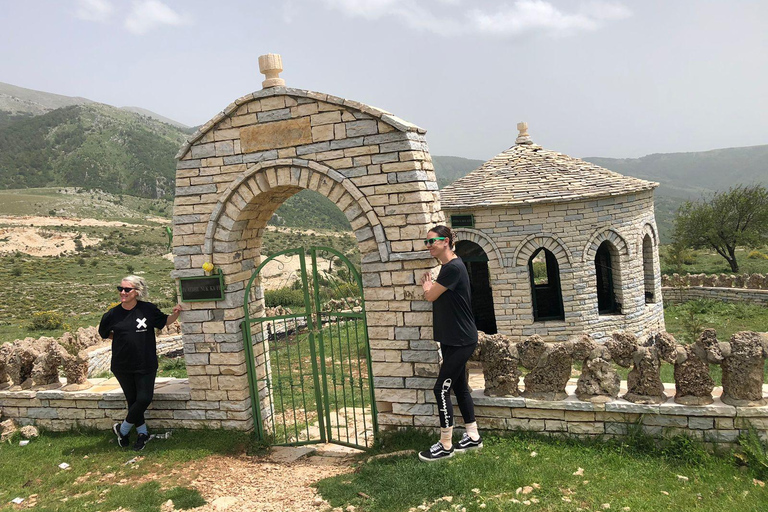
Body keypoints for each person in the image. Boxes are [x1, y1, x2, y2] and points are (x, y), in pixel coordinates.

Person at [418, 225, 482, 462]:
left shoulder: (452, 267)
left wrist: (427, 287)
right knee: (459, 386)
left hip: (461, 339)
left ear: (446, 242)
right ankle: (473, 436)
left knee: (440, 389)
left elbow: (431, 295)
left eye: (432, 242)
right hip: (453, 337)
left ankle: (446, 444)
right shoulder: (450, 266)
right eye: (427, 242)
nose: (428, 246)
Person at [98, 275, 182, 451]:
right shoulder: (112, 314)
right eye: (120, 289)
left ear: (137, 291)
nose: (123, 292)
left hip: (146, 362)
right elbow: (104, 333)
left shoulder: (147, 310)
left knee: (144, 398)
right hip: (122, 365)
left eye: (127, 289)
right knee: (133, 400)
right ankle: (142, 434)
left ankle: (123, 429)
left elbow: (163, 321)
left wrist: (176, 314)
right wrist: (122, 337)